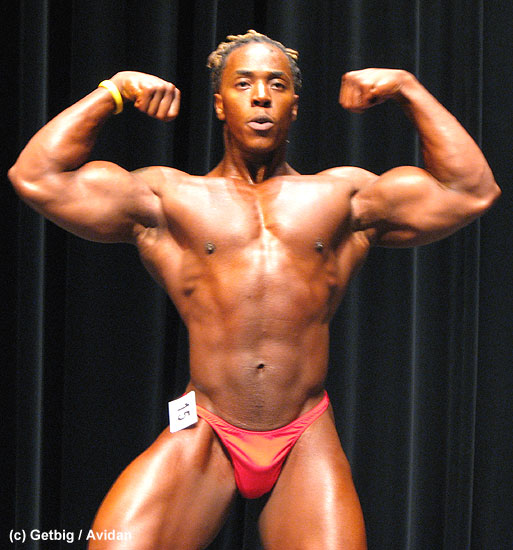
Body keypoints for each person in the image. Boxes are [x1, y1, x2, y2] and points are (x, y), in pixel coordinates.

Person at [9, 30, 499, 550]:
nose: (261, 96)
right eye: (243, 84)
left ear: (294, 106)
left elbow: (470, 190)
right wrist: (113, 91)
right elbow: (36, 176)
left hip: (304, 433)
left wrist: (407, 88)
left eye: (277, 85)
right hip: (206, 427)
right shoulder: (170, 199)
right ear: (220, 104)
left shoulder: (342, 198)